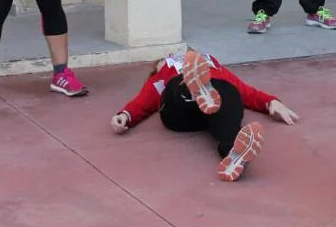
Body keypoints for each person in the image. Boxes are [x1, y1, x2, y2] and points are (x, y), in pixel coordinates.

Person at [110, 49, 299, 182]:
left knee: (227, 104)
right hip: (180, 109)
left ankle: (233, 155)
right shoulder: (163, 73)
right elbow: (144, 99)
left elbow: (245, 91)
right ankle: (192, 88)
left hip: (215, 95)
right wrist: (126, 115)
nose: (178, 55)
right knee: (179, 88)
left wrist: (271, 102)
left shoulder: (216, 68)